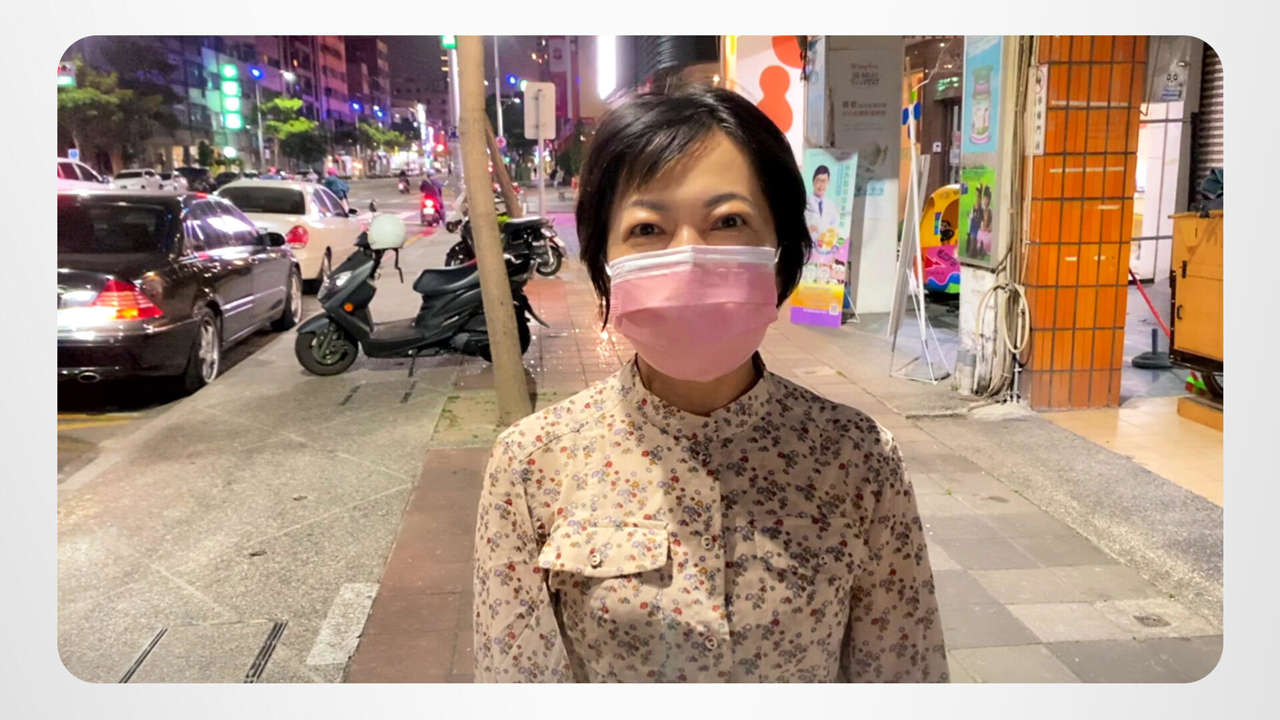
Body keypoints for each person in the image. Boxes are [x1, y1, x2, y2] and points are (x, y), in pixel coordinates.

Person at [472, 85, 947, 683]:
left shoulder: (858, 460)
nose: (689, 257)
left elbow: (904, 673)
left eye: (728, 221)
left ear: (781, 251)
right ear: (605, 264)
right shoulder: (532, 466)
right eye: (648, 228)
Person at [804, 164, 840, 237]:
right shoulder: (804, 202)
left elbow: (836, 229)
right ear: (813, 181)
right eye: (818, 180)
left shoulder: (831, 205)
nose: (821, 185)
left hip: (826, 243)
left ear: (828, 182)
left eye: (824, 181)